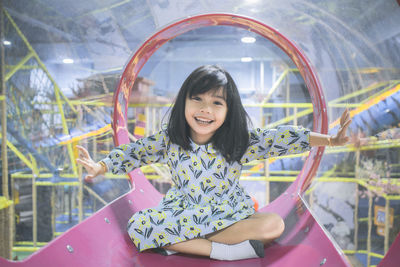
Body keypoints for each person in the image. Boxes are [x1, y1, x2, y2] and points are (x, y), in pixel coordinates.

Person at [76, 65, 351, 261]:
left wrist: (330, 140)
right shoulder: (170, 140)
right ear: (183, 102)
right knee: (138, 225)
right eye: (197, 99)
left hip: (228, 214)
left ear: (228, 111)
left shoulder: (237, 141)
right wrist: (100, 166)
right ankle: (223, 251)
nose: (205, 109)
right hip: (185, 214)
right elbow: (135, 152)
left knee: (274, 224)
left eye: (216, 103)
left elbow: (281, 138)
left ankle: (176, 244)